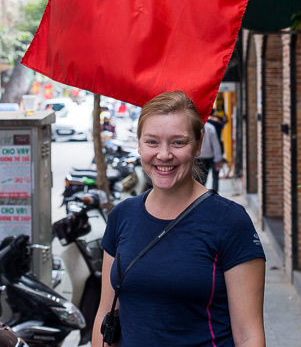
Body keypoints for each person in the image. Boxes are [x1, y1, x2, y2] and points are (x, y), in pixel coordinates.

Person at [92, 90, 265, 347]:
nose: (164, 155)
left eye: (178, 142)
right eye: (152, 142)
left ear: (197, 145)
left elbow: (249, 335)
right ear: (138, 144)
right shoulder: (122, 216)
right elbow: (106, 314)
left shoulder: (229, 221)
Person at [196, 119, 223, 191]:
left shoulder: (192, 127)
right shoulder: (210, 128)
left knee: (197, 180)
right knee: (204, 178)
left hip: (195, 158)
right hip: (207, 158)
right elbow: (215, 145)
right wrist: (218, 158)